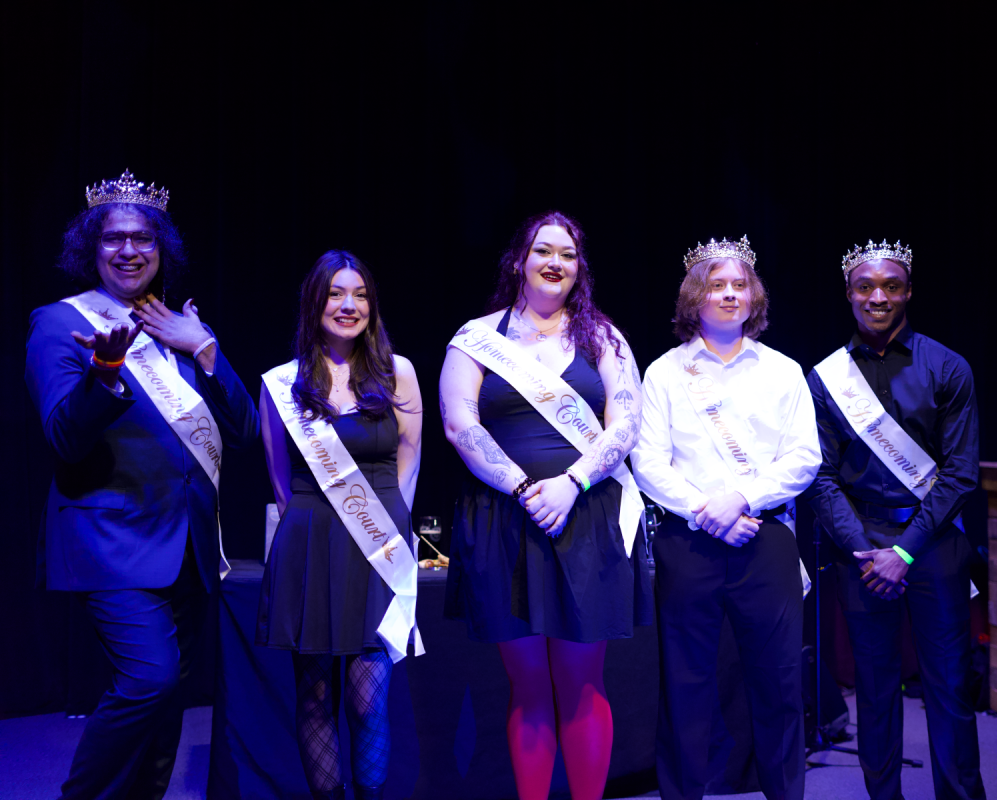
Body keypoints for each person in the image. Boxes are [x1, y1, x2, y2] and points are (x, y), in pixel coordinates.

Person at [24, 170, 259, 800]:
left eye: (143, 240)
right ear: (91, 250)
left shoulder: (174, 328)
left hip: (188, 547)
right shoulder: (58, 323)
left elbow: (243, 432)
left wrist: (206, 349)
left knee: (168, 705)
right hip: (110, 538)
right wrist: (103, 372)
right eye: (113, 240)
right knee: (150, 680)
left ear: (162, 251)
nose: (129, 251)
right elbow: (63, 437)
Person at [441, 211, 651, 800]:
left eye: (568, 254)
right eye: (543, 250)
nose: (555, 262)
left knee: (583, 683)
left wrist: (573, 482)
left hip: (586, 517)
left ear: (579, 269)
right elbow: (460, 425)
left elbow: (626, 423)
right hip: (506, 520)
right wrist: (522, 487)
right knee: (528, 685)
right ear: (519, 261)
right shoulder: (477, 337)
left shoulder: (603, 338)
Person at [630, 236, 819, 800]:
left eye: (740, 285)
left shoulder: (783, 371)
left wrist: (741, 499)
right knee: (685, 685)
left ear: (753, 295)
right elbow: (646, 461)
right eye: (717, 285)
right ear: (696, 296)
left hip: (766, 539)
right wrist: (704, 511)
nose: (730, 294)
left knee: (780, 684)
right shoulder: (665, 372)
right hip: (689, 544)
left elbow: (804, 457)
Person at [806, 239, 985, 800]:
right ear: (849, 294)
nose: (877, 297)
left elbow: (959, 475)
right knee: (875, 690)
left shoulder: (948, 366)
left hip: (931, 542)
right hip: (859, 547)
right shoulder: (824, 379)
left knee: (950, 687)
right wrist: (864, 550)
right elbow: (821, 476)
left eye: (890, 286)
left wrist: (903, 551)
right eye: (865, 286)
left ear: (908, 291)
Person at [257, 251, 423, 800]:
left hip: (377, 543)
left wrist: (390, 531)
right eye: (335, 293)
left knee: (367, 696)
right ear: (314, 303)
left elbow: (409, 459)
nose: (348, 305)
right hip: (310, 539)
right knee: (313, 694)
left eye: (359, 294)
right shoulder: (283, 383)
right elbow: (280, 481)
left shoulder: (398, 372)